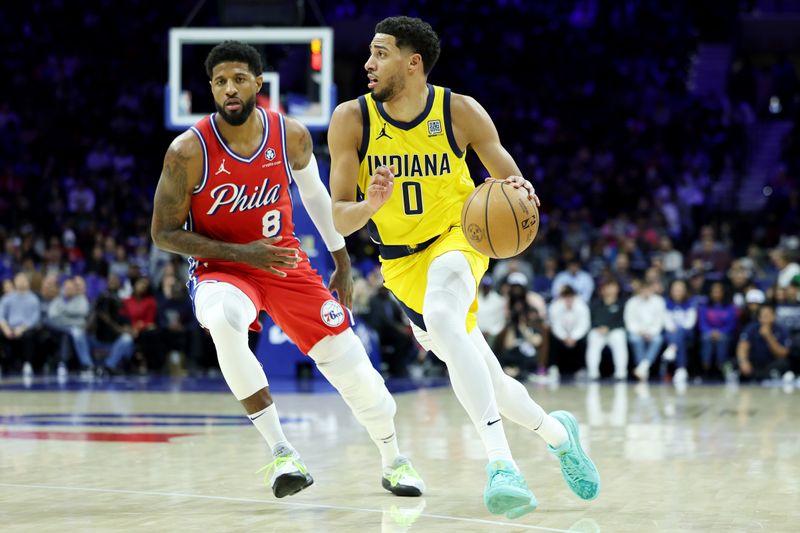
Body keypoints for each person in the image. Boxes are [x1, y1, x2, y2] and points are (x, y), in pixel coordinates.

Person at [327, 16, 599, 518]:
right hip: (400, 267)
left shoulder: (460, 111)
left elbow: (511, 182)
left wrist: (522, 195)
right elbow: (339, 216)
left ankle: (501, 465)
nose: (368, 62)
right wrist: (371, 204)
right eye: (369, 53)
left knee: (447, 317)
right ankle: (561, 436)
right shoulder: (352, 119)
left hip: (459, 239)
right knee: (491, 382)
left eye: (380, 53)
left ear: (413, 63)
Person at [150, 41, 423, 500]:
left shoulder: (290, 135)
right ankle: (282, 452)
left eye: (238, 78)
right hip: (222, 268)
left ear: (259, 83)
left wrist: (341, 261)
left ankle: (394, 459)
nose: (229, 89)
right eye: (219, 82)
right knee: (222, 320)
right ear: (212, 89)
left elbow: (317, 197)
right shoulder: (186, 152)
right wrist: (242, 255)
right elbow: (163, 232)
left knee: (354, 368)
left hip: (283, 261)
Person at [624, 280, 668, 381]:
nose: (645, 292)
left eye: (648, 289)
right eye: (643, 290)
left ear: (651, 290)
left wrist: (650, 332)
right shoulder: (632, 302)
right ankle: (643, 370)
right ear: (639, 290)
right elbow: (629, 321)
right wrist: (640, 331)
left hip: (653, 332)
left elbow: (660, 321)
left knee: (657, 340)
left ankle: (642, 367)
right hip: (637, 332)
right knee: (635, 339)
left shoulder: (659, 301)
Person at [586, 279, 629, 381]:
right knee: (593, 338)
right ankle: (593, 373)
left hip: (615, 331)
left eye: (612, 287)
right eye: (607, 287)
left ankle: (621, 373)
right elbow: (590, 320)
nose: (610, 290)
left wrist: (609, 328)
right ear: (602, 290)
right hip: (598, 331)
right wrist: (598, 327)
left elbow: (623, 321)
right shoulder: (595, 304)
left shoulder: (622, 304)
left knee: (620, 338)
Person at [736, 305, 792, 381]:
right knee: (734, 363)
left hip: (771, 363)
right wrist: (743, 361)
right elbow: (742, 347)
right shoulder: (751, 328)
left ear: (774, 316)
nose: (765, 318)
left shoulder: (781, 330)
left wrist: (768, 337)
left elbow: (783, 354)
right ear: (759, 318)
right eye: (763, 316)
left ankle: (760, 377)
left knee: (784, 364)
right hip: (753, 363)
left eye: (768, 315)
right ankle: (764, 376)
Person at [0, 272, 40, 377]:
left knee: (30, 335)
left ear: (28, 283)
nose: (21, 282)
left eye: (24, 280)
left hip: (25, 328)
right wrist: (5, 328)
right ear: (14, 282)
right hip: (9, 327)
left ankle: (27, 363)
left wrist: (21, 329)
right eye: (19, 279)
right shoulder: (7, 298)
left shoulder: (33, 299)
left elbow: (35, 319)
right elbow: (1, 315)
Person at [663, 279, 697, 386]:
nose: (677, 292)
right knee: (675, 336)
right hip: (670, 333)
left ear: (685, 291)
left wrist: (679, 329)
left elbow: (690, 323)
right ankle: (681, 369)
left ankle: (672, 348)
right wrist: (673, 328)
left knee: (680, 333)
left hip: (686, 333)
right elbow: (666, 320)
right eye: (675, 290)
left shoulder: (691, 303)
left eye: (680, 290)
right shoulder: (667, 303)